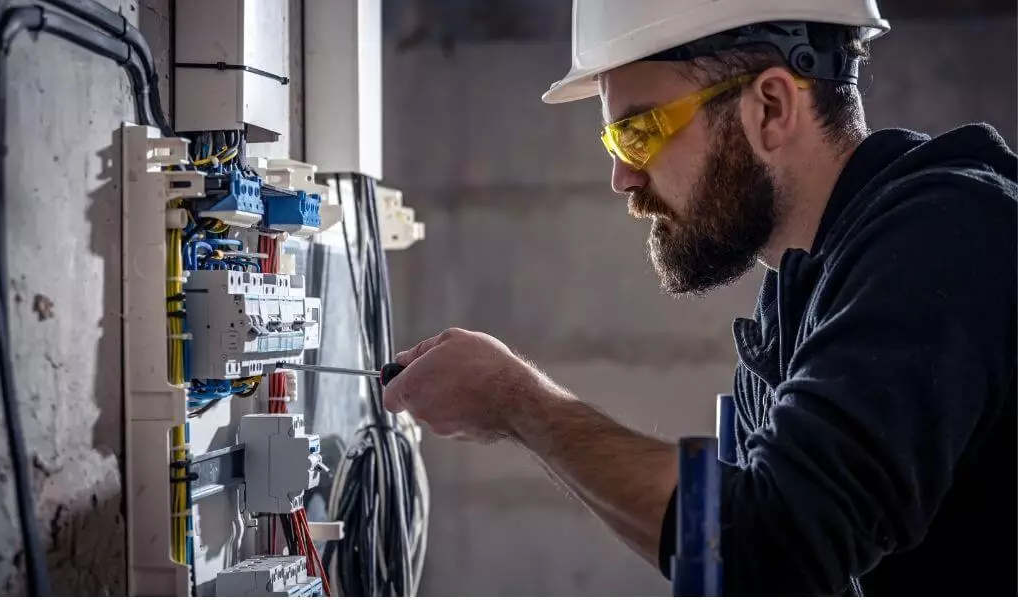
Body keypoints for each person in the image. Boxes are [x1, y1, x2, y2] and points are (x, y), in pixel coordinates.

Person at [382, 1, 1018, 595]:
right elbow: (739, 564)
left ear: (770, 107)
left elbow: (772, 542)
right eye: (616, 143)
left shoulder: (950, 236)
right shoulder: (800, 297)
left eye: (640, 132)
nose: (622, 177)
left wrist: (519, 403)